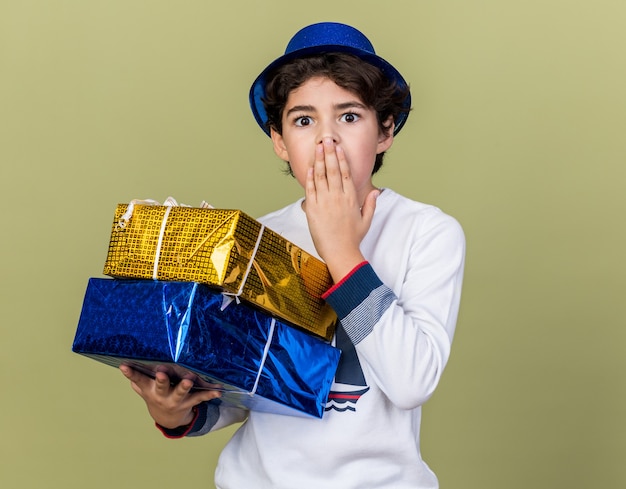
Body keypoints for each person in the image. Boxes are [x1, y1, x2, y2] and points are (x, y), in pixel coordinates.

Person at [120, 21, 466, 488]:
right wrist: (179, 412)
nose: (327, 140)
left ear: (385, 130)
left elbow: (410, 384)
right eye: (304, 120)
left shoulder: (428, 232)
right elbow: (248, 388)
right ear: (280, 141)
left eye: (349, 116)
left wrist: (341, 249)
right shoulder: (260, 236)